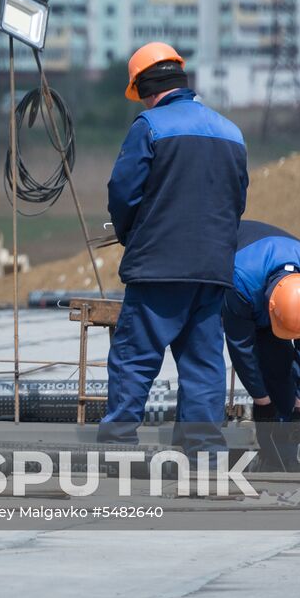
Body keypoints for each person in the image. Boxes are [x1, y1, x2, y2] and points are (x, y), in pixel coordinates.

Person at [100, 42, 249, 451]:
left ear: (146, 88)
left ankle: (116, 449)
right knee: (202, 366)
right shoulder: (232, 133)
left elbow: (123, 194)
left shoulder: (148, 127)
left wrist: (135, 238)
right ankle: (203, 458)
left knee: (134, 358)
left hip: (158, 271)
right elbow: (237, 203)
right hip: (212, 270)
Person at [222, 220, 300, 471]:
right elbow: (241, 347)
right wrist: (261, 399)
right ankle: (198, 453)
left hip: (263, 286)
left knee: (281, 368)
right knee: (204, 364)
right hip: (224, 272)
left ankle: (282, 458)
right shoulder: (241, 279)